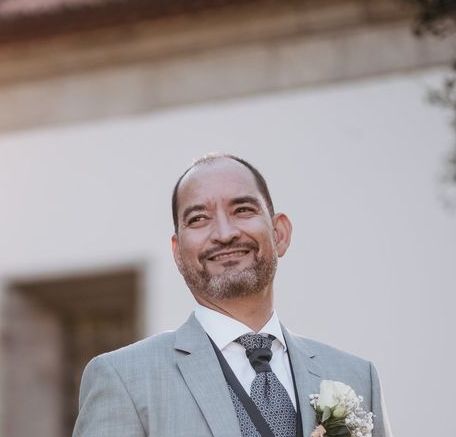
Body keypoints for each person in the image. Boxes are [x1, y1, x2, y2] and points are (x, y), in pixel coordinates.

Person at [73, 154, 392, 437]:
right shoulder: (124, 379)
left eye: (242, 209)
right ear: (178, 253)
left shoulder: (355, 377)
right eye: (198, 218)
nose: (224, 234)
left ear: (279, 233)